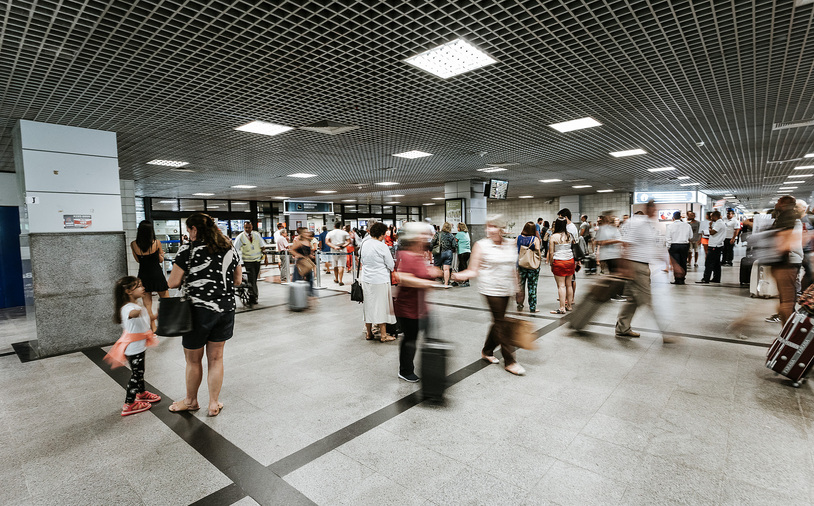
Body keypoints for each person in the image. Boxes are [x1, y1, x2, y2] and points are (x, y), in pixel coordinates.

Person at [167, 213, 242, 417]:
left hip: (196, 311)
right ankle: (214, 403)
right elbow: (237, 280)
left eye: (188, 230)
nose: (188, 234)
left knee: (193, 360)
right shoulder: (229, 248)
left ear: (194, 229)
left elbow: (173, 282)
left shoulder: (187, 250)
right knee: (216, 359)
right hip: (225, 309)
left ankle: (191, 401)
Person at [453, 215, 525, 376]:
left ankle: (487, 351)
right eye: (488, 226)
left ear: (501, 228)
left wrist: (518, 288)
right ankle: (510, 361)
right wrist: (459, 275)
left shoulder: (509, 244)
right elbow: (473, 269)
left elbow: (513, 268)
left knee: (497, 321)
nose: (489, 229)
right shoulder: (481, 245)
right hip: (490, 288)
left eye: (493, 226)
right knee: (501, 323)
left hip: (506, 289)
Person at [615, 200, 674, 343]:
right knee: (648, 300)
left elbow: (653, 248)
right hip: (636, 267)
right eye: (653, 209)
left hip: (643, 266)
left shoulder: (649, 226)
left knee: (632, 300)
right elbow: (626, 244)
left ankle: (622, 328)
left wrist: (670, 262)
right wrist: (625, 267)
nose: (655, 212)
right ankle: (665, 333)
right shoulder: (637, 223)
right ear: (648, 208)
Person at [393, 223, 443, 382]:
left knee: (427, 337)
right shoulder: (406, 254)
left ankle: (431, 367)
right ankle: (405, 370)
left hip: (422, 306)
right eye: (421, 234)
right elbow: (403, 278)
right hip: (408, 308)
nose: (425, 237)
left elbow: (422, 273)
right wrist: (427, 283)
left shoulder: (420, 254)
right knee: (410, 338)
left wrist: (432, 272)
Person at [106, 276, 160, 416]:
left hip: (139, 346)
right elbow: (132, 314)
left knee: (140, 371)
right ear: (129, 291)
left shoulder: (135, 305)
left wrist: (157, 315)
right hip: (133, 349)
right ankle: (129, 404)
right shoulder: (127, 308)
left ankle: (141, 393)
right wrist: (140, 310)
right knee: (136, 375)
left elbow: (145, 320)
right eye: (139, 286)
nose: (143, 288)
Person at [768, 196, 805, 324]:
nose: (776, 203)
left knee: (787, 301)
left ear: (784, 204)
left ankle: (788, 330)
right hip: (785, 262)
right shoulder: (786, 217)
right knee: (786, 299)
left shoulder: (789, 217)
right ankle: (787, 327)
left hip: (788, 263)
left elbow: (785, 240)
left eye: (778, 201)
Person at [359, 222, 398, 342]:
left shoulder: (364, 243)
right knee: (381, 306)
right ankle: (383, 335)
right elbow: (391, 265)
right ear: (381, 234)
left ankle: (369, 333)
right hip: (380, 279)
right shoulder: (382, 246)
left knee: (368, 305)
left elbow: (362, 260)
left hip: (366, 278)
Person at [130, 220, 169, 332]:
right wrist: (161, 255)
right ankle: (166, 323)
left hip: (143, 275)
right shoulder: (156, 243)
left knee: (147, 303)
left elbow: (138, 260)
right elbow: (160, 260)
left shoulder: (133, 244)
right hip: (157, 274)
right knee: (166, 299)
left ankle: (153, 327)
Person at [233, 221, 266, 305]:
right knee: (252, 278)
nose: (248, 229)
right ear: (244, 228)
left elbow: (262, 246)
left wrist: (265, 258)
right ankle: (253, 296)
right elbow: (235, 249)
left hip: (257, 260)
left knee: (254, 279)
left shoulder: (256, 235)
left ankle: (253, 295)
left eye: (249, 227)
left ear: (252, 227)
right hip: (248, 261)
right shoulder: (240, 237)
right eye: (246, 228)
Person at [595, 211, 625, 300]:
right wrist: (616, 240)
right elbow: (601, 242)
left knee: (617, 275)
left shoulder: (613, 228)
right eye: (610, 216)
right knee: (615, 275)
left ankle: (616, 293)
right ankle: (614, 294)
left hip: (615, 254)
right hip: (609, 255)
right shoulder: (602, 229)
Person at [548, 217, 575, 314]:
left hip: (559, 261)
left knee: (561, 286)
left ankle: (562, 308)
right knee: (569, 285)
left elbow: (551, 253)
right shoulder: (570, 235)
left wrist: (551, 264)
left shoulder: (553, 237)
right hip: (570, 261)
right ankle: (569, 306)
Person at [515, 221, 542, 313]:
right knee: (532, 286)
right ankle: (532, 307)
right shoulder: (535, 239)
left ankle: (519, 303)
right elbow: (538, 251)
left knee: (520, 286)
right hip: (532, 266)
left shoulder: (518, 238)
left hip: (521, 265)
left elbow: (514, 249)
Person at [697, 211, 726, 284]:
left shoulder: (719, 223)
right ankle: (716, 278)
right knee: (716, 263)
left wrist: (710, 227)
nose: (711, 218)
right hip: (717, 245)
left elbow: (712, 232)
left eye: (712, 216)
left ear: (715, 216)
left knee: (709, 263)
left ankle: (706, 278)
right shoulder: (720, 222)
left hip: (714, 245)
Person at [666, 211, 692, 285]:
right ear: (680, 217)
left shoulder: (670, 226)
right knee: (683, 262)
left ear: (673, 218)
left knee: (676, 263)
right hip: (684, 245)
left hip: (674, 245)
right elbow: (691, 236)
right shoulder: (687, 225)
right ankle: (683, 279)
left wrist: (668, 247)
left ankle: (677, 279)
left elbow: (668, 238)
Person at [291, 227, 316, 298]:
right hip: (300, 263)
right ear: (302, 233)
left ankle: (310, 294)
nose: (307, 233)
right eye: (305, 232)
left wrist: (310, 255)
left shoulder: (308, 241)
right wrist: (299, 255)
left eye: (307, 232)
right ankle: (296, 294)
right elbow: (292, 250)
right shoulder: (298, 241)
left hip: (307, 262)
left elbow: (309, 251)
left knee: (310, 279)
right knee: (297, 279)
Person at [431, 222, 457, 287]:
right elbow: (454, 245)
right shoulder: (451, 235)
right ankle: (446, 284)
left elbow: (432, 243)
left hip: (439, 253)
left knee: (436, 268)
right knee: (446, 269)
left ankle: (435, 282)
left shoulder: (438, 234)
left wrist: (430, 249)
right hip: (448, 253)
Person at [455, 223, 471, 287]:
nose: (457, 228)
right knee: (461, 266)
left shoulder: (459, 234)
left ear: (460, 228)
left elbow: (455, 241)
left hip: (462, 252)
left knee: (463, 267)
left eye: (458, 227)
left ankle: (467, 281)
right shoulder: (467, 233)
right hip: (468, 252)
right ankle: (458, 280)